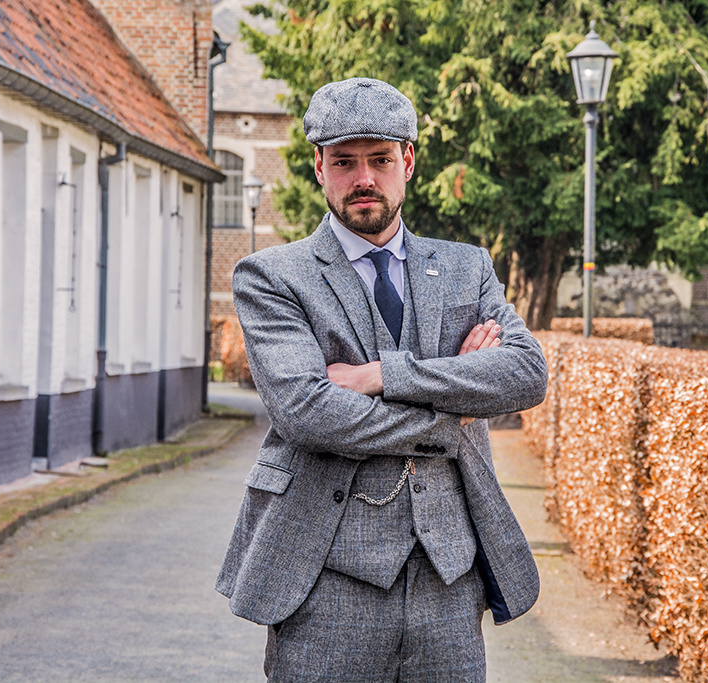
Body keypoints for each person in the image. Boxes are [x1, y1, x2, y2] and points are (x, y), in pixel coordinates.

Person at [216, 77, 548, 682]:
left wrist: (378, 374)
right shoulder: (272, 277)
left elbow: (525, 374)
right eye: (344, 162)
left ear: (409, 162)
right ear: (319, 167)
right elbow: (307, 413)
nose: (363, 178)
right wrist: (457, 406)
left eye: (380, 160)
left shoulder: (465, 266)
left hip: (450, 577)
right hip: (324, 576)